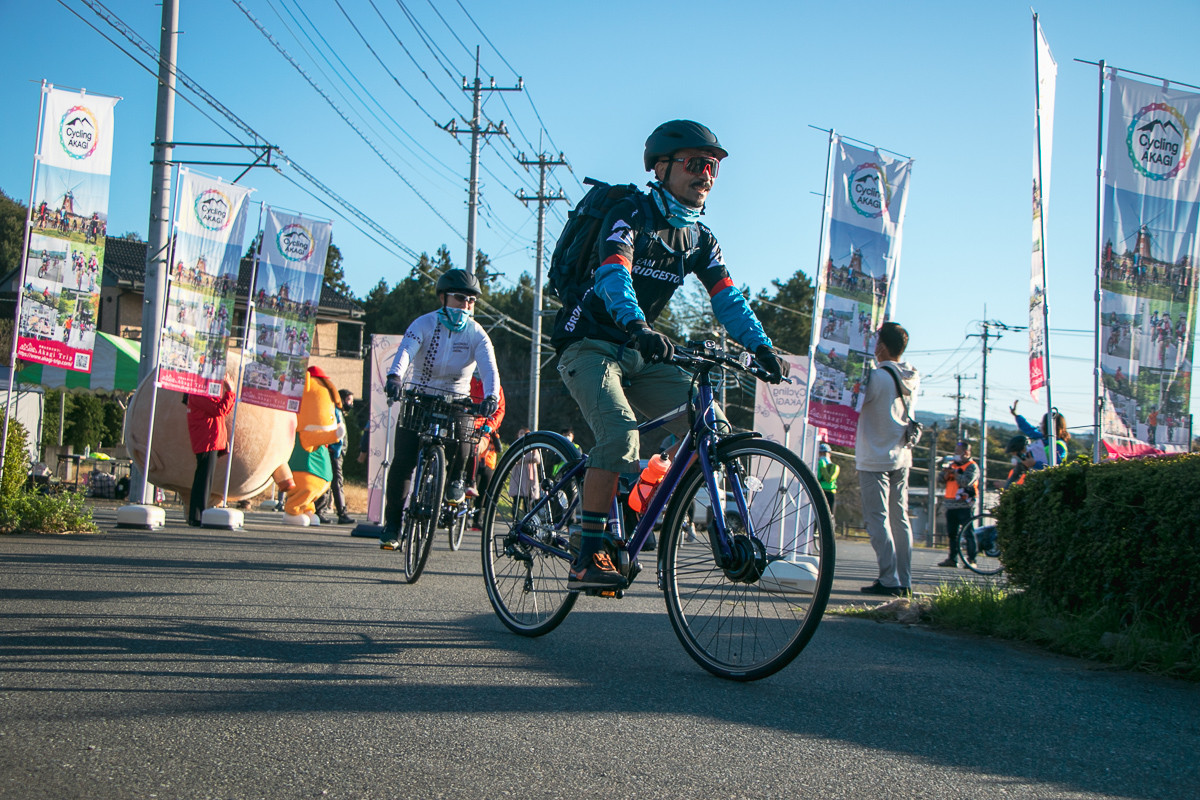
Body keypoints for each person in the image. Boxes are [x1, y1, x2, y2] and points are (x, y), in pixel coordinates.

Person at [550, 119, 787, 590]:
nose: (707, 175)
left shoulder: (701, 238)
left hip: (643, 353)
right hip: (591, 343)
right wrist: (635, 323)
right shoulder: (629, 213)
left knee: (711, 426)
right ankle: (587, 553)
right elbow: (614, 273)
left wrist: (760, 344)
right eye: (696, 164)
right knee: (619, 437)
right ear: (662, 167)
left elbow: (727, 298)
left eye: (714, 168)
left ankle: (644, 518)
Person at [380, 268, 501, 550]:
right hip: (419, 395)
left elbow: (489, 368)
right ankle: (393, 525)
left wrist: (492, 395)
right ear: (443, 297)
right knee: (402, 463)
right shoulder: (423, 323)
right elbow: (406, 351)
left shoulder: (476, 333)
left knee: (464, 442)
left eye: (471, 301)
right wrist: (395, 376)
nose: (466, 306)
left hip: (456, 398)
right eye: (460, 299)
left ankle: (456, 479)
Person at [855, 322, 919, 597]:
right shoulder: (912, 377)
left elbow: (855, 402)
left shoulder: (876, 378)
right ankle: (904, 580)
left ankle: (888, 579)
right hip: (901, 455)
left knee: (877, 519)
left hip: (874, 456)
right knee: (900, 518)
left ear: (880, 346)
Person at [183, 377, 236, 527]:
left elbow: (224, 410)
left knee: (205, 478)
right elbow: (220, 409)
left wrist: (229, 395)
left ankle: (198, 514)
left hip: (209, 440)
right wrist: (230, 391)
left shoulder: (200, 394)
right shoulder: (199, 394)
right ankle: (197, 515)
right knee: (203, 479)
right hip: (206, 441)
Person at [314, 384, 356, 525]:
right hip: (334, 452)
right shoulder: (335, 411)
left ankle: (320, 511)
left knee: (329, 481)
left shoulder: (337, 411)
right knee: (335, 482)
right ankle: (340, 513)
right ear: (342, 400)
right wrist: (332, 447)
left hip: (336, 452)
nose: (351, 403)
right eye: (349, 400)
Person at [936, 440, 979, 568]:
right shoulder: (953, 465)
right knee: (952, 534)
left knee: (968, 533)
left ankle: (972, 560)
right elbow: (940, 480)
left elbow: (966, 482)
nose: (955, 454)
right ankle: (952, 559)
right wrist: (946, 472)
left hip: (965, 505)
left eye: (958, 452)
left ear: (966, 453)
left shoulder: (972, 466)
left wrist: (956, 474)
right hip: (950, 504)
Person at [1009, 400, 1068, 468]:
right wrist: (1016, 415)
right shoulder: (1044, 439)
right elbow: (1030, 430)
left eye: (1042, 423)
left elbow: (1056, 468)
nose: (1040, 426)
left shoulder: (1059, 445)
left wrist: (1035, 464)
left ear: (1048, 426)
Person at [816, 442, 839, 514]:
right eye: (820, 453)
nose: (822, 455)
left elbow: (829, 479)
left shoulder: (834, 467)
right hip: (820, 491)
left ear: (829, 454)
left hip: (830, 493)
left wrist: (823, 467)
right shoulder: (818, 465)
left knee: (829, 515)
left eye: (824, 453)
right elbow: (818, 478)